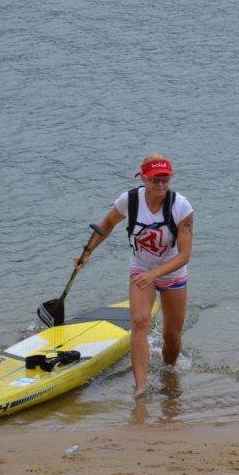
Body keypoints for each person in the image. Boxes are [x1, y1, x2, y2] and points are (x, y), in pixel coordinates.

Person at [76, 154, 194, 398]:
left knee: (172, 338)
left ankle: (169, 371)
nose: (160, 185)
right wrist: (86, 253)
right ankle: (140, 388)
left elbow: (184, 255)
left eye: (165, 179)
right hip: (141, 269)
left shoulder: (181, 206)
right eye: (155, 180)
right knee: (139, 322)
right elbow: (107, 224)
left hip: (172, 272)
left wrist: (156, 273)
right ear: (143, 178)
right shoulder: (129, 201)